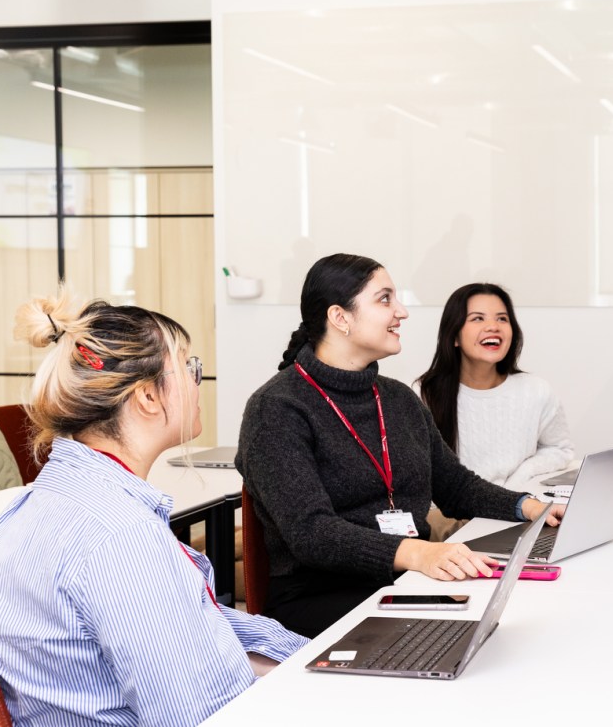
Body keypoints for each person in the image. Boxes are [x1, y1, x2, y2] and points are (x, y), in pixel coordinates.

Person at [0, 290, 307, 726]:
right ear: (148, 397)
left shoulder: (42, 504)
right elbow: (195, 713)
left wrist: (307, 661)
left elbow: (199, 630)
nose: (197, 382)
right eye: (190, 368)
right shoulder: (119, 536)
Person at [237, 254, 563, 638]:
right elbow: (312, 533)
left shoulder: (396, 398)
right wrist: (419, 554)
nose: (402, 312)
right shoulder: (277, 408)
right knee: (472, 632)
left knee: (519, 614)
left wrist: (529, 506)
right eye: (385, 299)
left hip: (405, 579)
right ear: (340, 318)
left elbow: (454, 485)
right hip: (323, 594)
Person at [417, 283, 575, 540]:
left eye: (502, 318)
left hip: (517, 507)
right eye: (477, 318)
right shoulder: (423, 394)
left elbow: (560, 449)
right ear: (454, 336)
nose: (493, 326)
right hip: (455, 517)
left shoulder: (535, 390)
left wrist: (521, 476)